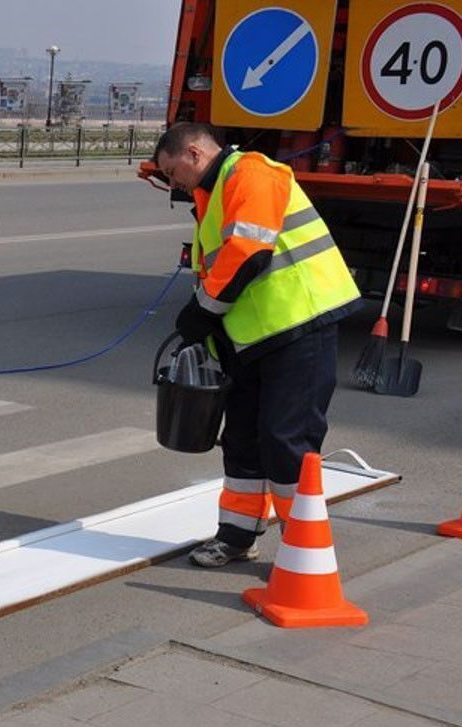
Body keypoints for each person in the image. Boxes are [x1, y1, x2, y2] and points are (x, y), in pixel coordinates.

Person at [151, 122, 360, 567]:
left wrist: (203, 312)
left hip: (300, 323)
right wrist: (208, 325)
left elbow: (249, 253)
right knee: (242, 438)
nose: (173, 183)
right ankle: (236, 537)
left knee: (286, 440)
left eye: (172, 173)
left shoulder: (252, 173)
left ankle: (302, 549)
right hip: (252, 335)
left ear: (193, 153)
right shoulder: (214, 191)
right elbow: (220, 264)